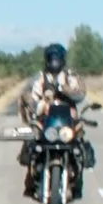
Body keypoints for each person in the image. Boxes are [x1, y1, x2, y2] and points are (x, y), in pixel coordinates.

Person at [19, 42, 84, 195]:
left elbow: (80, 94)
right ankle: (31, 175)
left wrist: (64, 90)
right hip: (46, 119)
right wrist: (38, 105)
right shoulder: (40, 77)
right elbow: (29, 95)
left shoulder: (70, 76)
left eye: (57, 58)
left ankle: (77, 176)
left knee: (79, 141)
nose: (54, 62)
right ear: (47, 59)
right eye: (52, 58)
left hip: (67, 120)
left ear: (62, 59)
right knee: (32, 140)